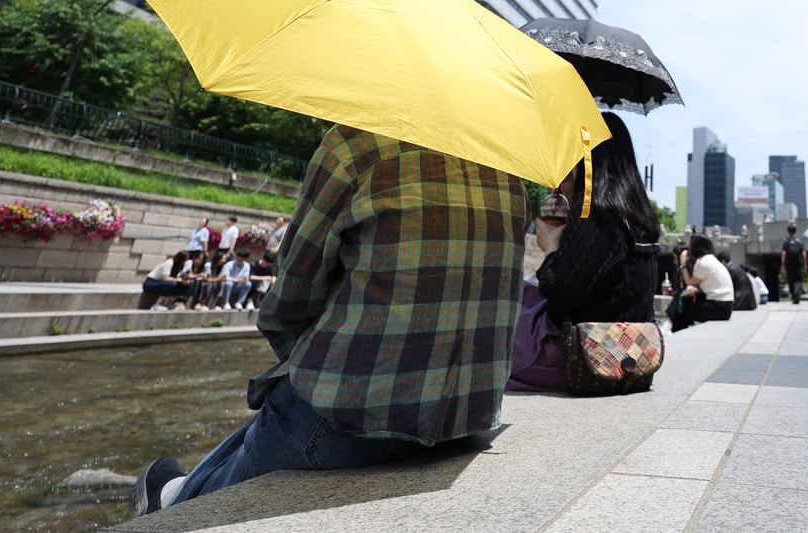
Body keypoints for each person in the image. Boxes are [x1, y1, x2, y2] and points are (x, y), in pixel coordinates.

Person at [134, 124, 526, 515]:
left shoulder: (355, 146)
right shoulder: (508, 172)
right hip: (466, 422)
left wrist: (307, 357)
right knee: (276, 411)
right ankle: (181, 487)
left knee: (285, 402)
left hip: (351, 425)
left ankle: (172, 500)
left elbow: (289, 299)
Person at [506, 112, 662, 392]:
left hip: (582, 354)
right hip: (628, 354)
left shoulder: (597, 213)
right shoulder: (640, 216)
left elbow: (560, 293)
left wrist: (551, 245)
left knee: (498, 324)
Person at [668, 235, 734, 332]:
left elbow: (690, 284)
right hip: (725, 307)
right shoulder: (711, 259)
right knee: (684, 300)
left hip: (718, 308)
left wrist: (683, 263)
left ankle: (673, 328)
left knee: (683, 301)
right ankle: (673, 327)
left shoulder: (702, 262)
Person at [780, 223, 807, 304]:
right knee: (798, 280)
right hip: (798, 263)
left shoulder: (786, 241)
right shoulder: (799, 241)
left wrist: (783, 264)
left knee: (791, 279)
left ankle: (793, 295)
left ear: (788, 231)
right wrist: (805, 264)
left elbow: (784, 253)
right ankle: (797, 294)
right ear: (795, 231)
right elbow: (804, 253)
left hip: (789, 263)